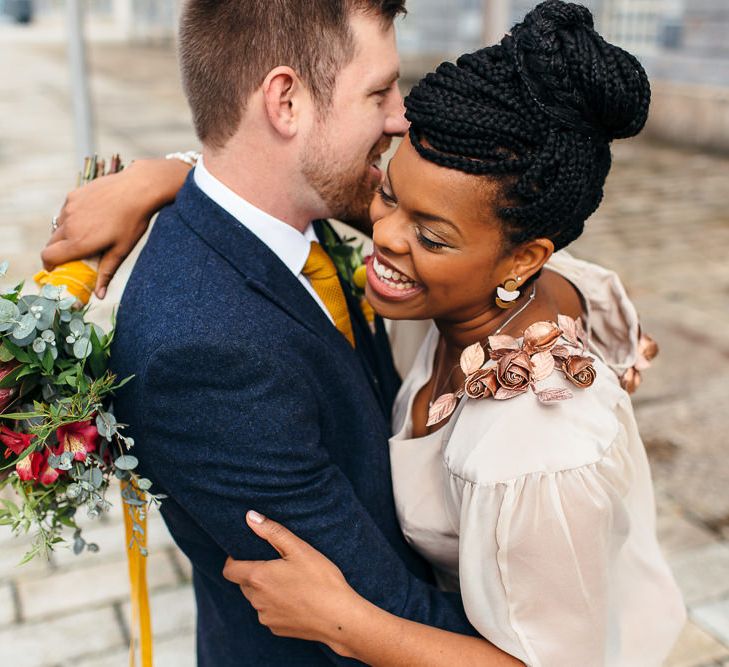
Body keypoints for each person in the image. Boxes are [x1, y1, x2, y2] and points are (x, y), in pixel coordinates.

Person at [43, 2, 684, 665]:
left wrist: (171, 176)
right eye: (379, 90)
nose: (399, 115)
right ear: (285, 100)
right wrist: (167, 177)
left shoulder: (531, 427)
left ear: (522, 261)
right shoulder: (205, 351)